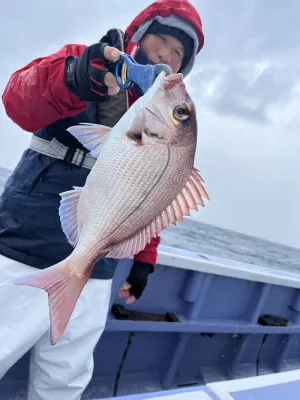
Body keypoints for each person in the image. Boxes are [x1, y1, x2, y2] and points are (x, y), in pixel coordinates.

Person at [0, 0, 204, 398]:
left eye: (177, 53)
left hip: (96, 268)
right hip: (27, 243)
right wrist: (77, 76)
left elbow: (153, 196)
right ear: (135, 37)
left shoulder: (162, 122)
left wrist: (144, 259)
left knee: (64, 381)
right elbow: (16, 102)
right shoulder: (83, 61)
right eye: (159, 41)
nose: (164, 55)